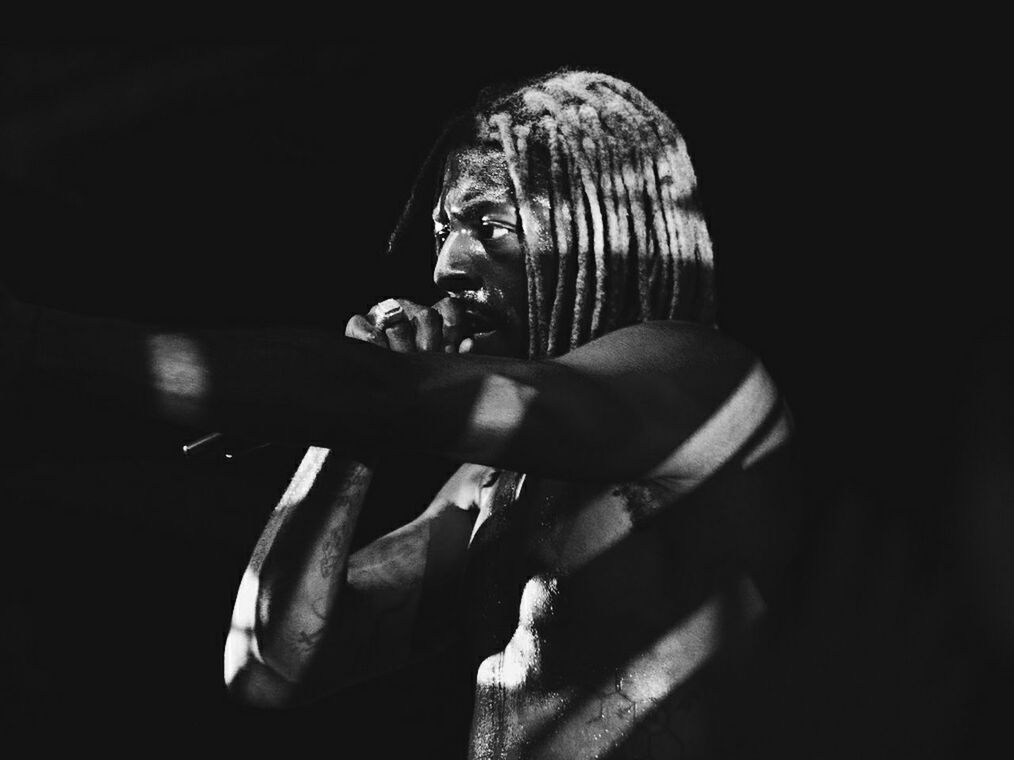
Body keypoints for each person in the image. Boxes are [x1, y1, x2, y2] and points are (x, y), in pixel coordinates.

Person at [221, 69, 800, 759]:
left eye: (489, 225)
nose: (445, 267)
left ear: (596, 224)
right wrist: (345, 433)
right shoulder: (493, 483)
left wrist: (373, 388)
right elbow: (270, 669)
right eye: (443, 232)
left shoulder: (696, 376)